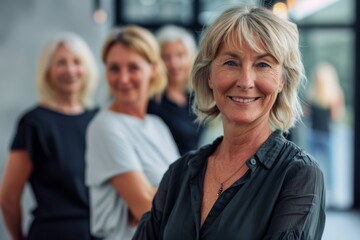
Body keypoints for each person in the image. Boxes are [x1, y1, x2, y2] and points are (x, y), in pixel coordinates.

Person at [133, 6, 326, 240]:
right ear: (209, 76)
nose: (245, 81)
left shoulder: (298, 175)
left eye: (263, 64)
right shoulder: (179, 173)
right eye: (231, 63)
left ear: (282, 81)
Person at [0, 33, 99, 240]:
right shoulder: (34, 123)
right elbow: (8, 197)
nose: (70, 70)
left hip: (101, 233)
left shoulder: (100, 119)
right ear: (47, 71)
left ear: (87, 68)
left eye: (77, 62)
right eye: (61, 63)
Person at [85, 25, 180, 240]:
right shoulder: (105, 126)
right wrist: (166, 193)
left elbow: (184, 192)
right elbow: (147, 210)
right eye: (114, 68)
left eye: (133, 68)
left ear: (153, 68)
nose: (123, 79)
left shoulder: (157, 126)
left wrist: (160, 193)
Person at [147, 25, 203, 155]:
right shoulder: (152, 102)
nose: (174, 63)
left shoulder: (197, 97)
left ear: (190, 58)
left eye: (180, 55)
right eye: (166, 57)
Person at [307, 62, 345, 203]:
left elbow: (337, 115)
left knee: (331, 166)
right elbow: (308, 114)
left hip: (328, 135)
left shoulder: (334, 95)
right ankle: (314, 190)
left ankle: (332, 192)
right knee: (312, 166)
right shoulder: (312, 93)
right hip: (313, 135)